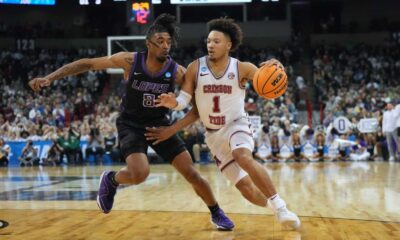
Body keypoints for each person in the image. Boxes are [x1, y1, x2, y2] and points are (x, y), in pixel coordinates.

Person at [28, 14, 234, 231]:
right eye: (160, 42)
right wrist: (49, 78)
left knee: (192, 173)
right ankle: (112, 180)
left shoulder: (177, 72)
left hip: (160, 126)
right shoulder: (129, 60)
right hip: (131, 125)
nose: (166, 46)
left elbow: (197, 107)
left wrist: (171, 129)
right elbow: (87, 64)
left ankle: (216, 211)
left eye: (168, 42)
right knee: (140, 173)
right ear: (149, 43)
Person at [146, 17, 300, 230]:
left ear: (228, 45)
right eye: (209, 41)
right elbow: (184, 101)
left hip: (236, 124)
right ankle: (275, 209)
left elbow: (270, 80)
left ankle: (281, 206)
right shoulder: (194, 68)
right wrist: (173, 102)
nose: (210, 45)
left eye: (216, 41)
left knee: (242, 156)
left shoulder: (242, 68)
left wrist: (278, 67)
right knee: (245, 188)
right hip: (213, 135)